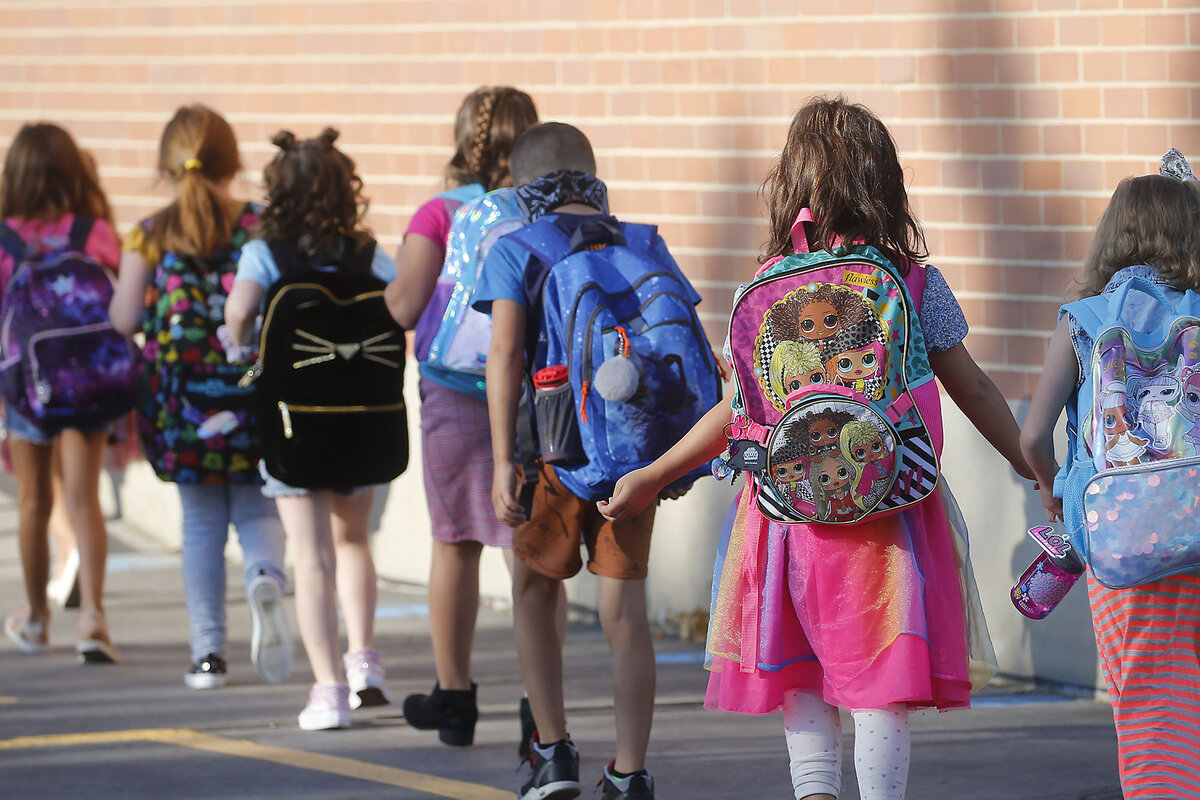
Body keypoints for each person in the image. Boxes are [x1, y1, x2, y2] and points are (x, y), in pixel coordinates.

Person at [597, 97, 1033, 800]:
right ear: (883, 182)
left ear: (793, 184)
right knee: (880, 680)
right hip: (889, 509)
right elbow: (975, 388)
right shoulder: (913, 279)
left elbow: (736, 410)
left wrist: (652, 473)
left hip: (783, 515)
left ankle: (815, 793)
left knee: (802, 670)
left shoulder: (764, 287)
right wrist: (1032, 461)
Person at [478, 122, 694, 800]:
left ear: (521, 188)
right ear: (593, 178)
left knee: (534, 588)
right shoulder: (643, 241)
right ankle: (630, 772)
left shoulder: (515, 246)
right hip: (633, 450)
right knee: (623, 610)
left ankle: (552, 751)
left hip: (551, 451)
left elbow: (506, 356)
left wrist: (498, 462)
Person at [1020, 168, 1200, 799]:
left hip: (1119, 540)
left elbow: (1033, 436)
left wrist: (1052, 490)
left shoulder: (1085, 319)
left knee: (1146, 701)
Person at [384, 86, 554, 750]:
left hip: (454, 389)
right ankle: (539, 708)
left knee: (454, 540)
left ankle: (454, 697)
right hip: (537, 393)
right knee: (533, 545)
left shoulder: (440, 212)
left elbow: (403, 306)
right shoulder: (546, 208)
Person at [109, 104, 291, 689]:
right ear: (232, 162)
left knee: (201, 526)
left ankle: (208, 654)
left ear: (167, 168)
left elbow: (123, 318)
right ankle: (265, 574)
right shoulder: (262, 225)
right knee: (259, 509)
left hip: (183, 411)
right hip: (254, 396)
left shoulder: (151, 234)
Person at [225, 127, 395, 731]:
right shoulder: (370, 252)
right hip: (362, 420)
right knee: (354, 542)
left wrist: (242, 346)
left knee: (311, 554)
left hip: (293, 423)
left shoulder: (266, 253)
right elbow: (401, 309)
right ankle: (364, 664)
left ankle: (326, 689)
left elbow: (239, 313)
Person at [0, 122, 122, 662]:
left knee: (32, 503)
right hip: (90, 381)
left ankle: (36, 619)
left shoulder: (4, 237)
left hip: (27, 385)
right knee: (84, 497)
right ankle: (93, 616)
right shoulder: (93, 231)